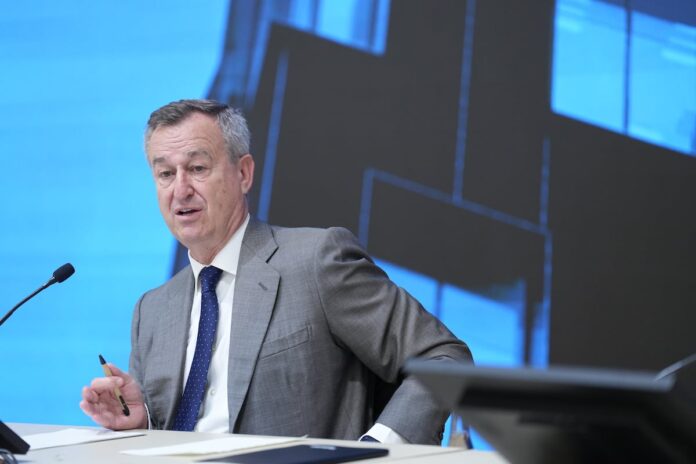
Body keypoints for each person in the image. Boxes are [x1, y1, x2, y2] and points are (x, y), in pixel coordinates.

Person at [80, 99, 472, 445]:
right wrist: (144, 422)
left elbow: (443, 357)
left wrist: (376, 449)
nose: (180, 190)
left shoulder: (316, 261)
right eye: (165, 174)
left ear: (243, 173)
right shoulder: (152, 310)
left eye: (197, 168)